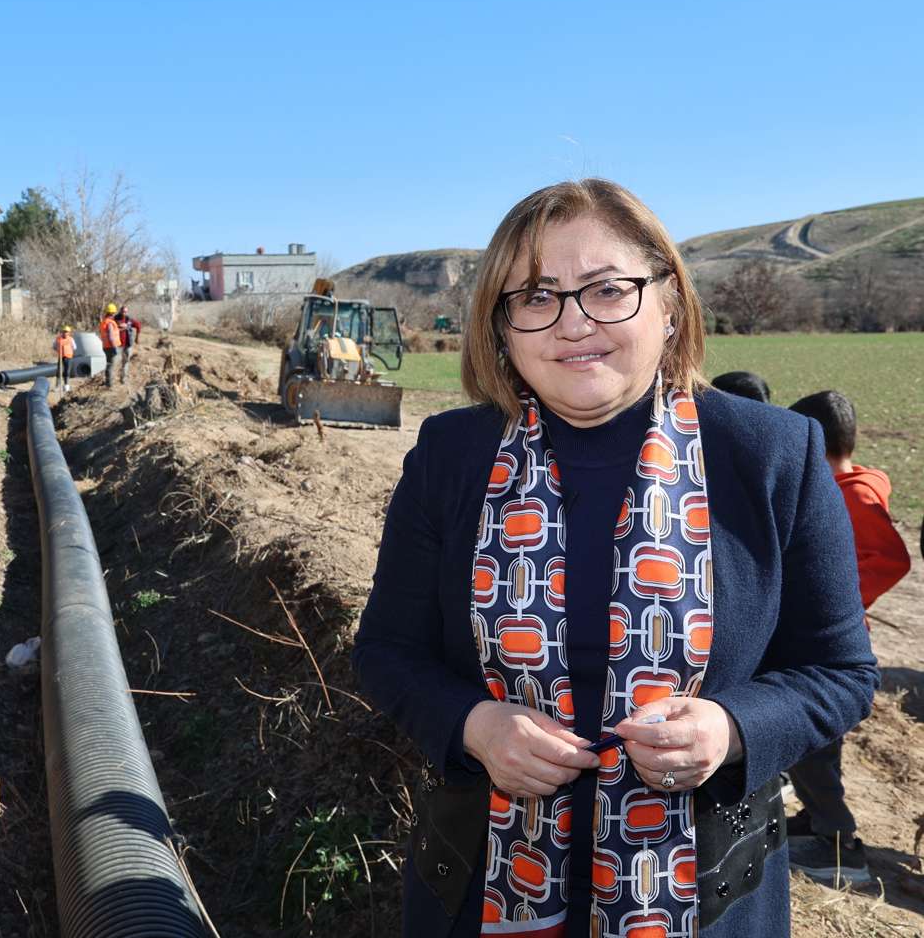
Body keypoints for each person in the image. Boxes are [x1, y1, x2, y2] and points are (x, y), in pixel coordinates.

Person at [352, 179, 877, 938]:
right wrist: (473, 724)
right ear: (501, 328)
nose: (572, 323)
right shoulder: (449, 457)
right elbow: (386, 652)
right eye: (535, 296)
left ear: (668, 304)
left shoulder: (769, 455)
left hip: (706, 894)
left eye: (606, 289)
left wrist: (731, 728)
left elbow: (840, 672)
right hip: (481, 882)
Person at [783, 390, 910, 885]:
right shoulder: (849, 486)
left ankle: (840, 845)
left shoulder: (853, 494)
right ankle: (815, 821)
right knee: (806, 745)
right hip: (813, 638)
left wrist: (840, 604)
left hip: (825, 645)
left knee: (816, 747)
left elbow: (892, 560)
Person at [114, 306, 142, 384]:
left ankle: (123, 379)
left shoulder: (129, 320)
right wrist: (119, 327)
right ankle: (113, 379)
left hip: (128, 344)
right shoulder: (115, 319)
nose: (124, 313)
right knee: (115, 361)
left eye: (125, 312)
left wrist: (137, 337)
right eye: (123, 311)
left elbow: (138, 325)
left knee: (125, 361)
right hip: (117, 344)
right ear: (120, 311)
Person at [99, 303, 122, 387]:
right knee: (111, 366)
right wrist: (114, 348)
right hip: (111, 347)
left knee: (108, 365)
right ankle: (110, 384)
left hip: (105, 346)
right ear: (112, 313)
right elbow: (111, 336)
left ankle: (108, 383)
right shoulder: (110, 323)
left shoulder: (104, 322)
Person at [52, 325, 75, 393]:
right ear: (62, 332)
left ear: (69, 333)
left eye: (67, 332)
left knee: (67, 371)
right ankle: (57, 386)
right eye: (64, 331)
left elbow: (74, 347)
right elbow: (54, 346)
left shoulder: (71, 339)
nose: (65, 333)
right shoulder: (58, 339)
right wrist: (58, 350)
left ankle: (66, 386)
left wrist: (69, 351)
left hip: (68, 357)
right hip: (61, 357)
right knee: (59, 371)